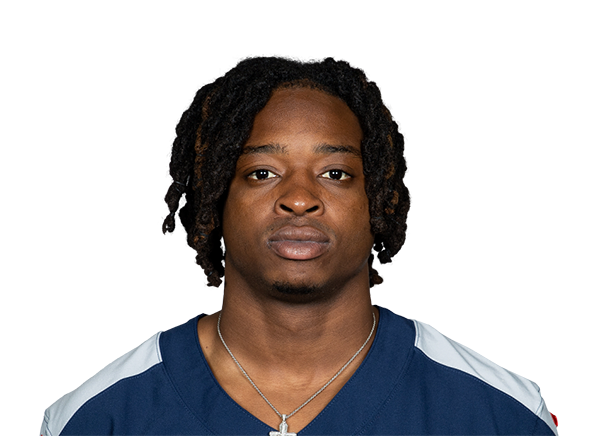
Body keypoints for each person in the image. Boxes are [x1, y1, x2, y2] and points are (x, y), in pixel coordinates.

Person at [40, 58, 557, 435]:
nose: (300, 198)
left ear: (378, 201)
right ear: (215, 200)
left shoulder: (499, 414)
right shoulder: (100, 417)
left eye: (336, 173)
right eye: (262, 172)